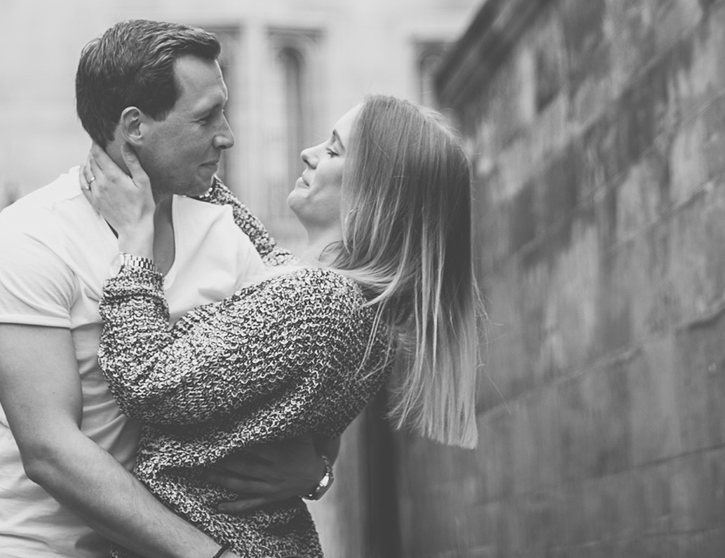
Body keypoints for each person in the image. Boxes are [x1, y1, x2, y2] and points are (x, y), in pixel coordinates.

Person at [0, 21, 330, 558]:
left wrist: (316, 467)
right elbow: (50, 450)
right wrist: (210, 555)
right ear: (135, 126)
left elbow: (300, 378)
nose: (227, 135)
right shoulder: (30, 237)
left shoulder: (224, 236)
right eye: (205, 117)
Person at [85, 94, 482, 558]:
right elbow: (227, 212)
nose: (308, 153)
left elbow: (149, 382)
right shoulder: (332, 294)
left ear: (374, 193)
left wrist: (135, 245)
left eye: (333, 150)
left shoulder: (320, 302)